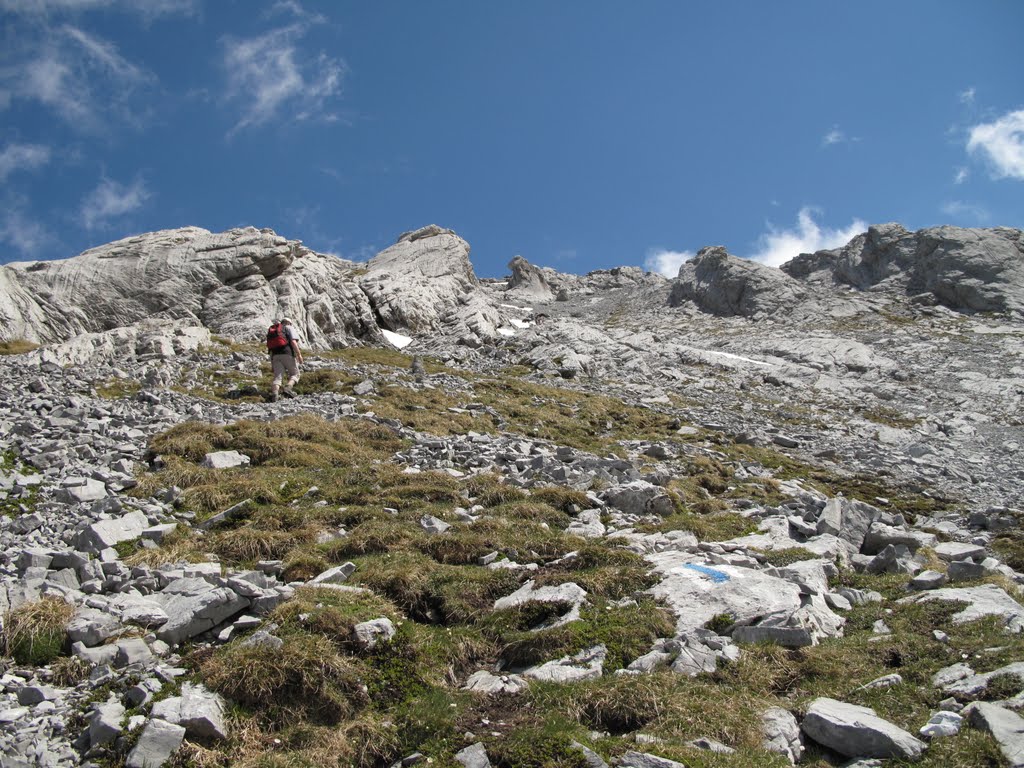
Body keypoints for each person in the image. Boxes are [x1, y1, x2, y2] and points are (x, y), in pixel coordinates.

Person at [269, 317, 302, 402]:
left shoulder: (274, 331)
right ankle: (287, 388)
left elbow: (270, 349)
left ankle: (275, 394)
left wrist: (272, 363)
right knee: (295, 374)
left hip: (275, 356)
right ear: (289, 323)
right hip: (287, 354)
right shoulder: (289, 328)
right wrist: (299, 354)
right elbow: (293, 342)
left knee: (277, 377)